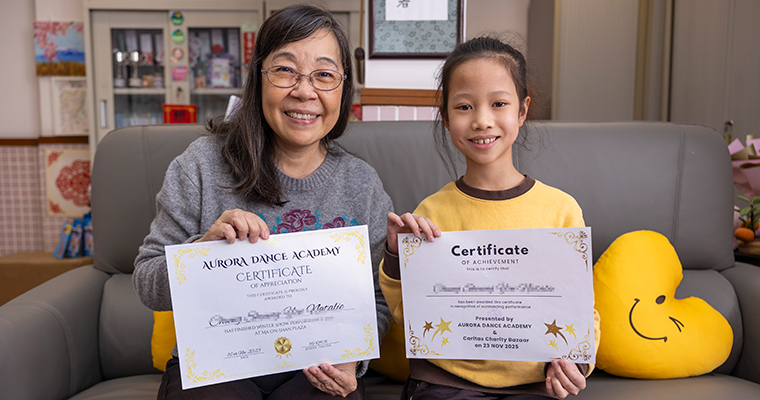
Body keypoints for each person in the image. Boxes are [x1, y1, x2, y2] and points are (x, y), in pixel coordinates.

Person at [133, 5, 393, 399]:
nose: (304, 91)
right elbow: (147, 284)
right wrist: (200, 255)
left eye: (324, 75)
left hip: (316, 368)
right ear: (259, 78)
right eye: (285, 70)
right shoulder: (200, 165)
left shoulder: (362, 183)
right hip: (218, 366)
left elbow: (378, 299)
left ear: (343, 89)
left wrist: (351, 358)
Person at [379, 36, 601, 399]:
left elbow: (581, 308)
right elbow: (411, 314)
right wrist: (395, 254)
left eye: (499, 103)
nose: (482, 121)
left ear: (523, 110)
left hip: (534, 386)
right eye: (464, 107)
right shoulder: (430, 213)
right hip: (445, 383)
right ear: (446, 117)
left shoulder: (561, 210)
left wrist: (574, 363)